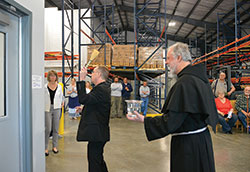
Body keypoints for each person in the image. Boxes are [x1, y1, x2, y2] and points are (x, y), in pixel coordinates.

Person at [127, 42, 218, 172]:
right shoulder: (198, 78)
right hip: (201, 141)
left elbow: (172, 121)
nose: (166, 63)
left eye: (168, 58)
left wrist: (144, 119)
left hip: (189, 147)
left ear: (179, 58)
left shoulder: (185, 83)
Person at [76, 66, 111, 172]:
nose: (91, 74)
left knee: (94, 161)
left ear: (99, 75)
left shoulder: (101, 89)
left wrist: (81, 80)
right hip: (99, 133)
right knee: (98, 159)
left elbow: (83, 99)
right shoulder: (101, 88)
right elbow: (94, 104)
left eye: (93, 72)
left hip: (97, 133)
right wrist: (83, 110)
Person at [45, 70, 64, 156]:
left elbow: (62, 97)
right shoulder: (44, 86)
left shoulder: (59, 87)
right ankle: (45, 147)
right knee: (48, 129)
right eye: (51, 76)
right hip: (47, 109)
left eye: (54, 76)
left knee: (56, 129)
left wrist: (62, 102)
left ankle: (54, 146)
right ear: (48, 77)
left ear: (56, 77)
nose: (53, 77)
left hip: (57, 108)